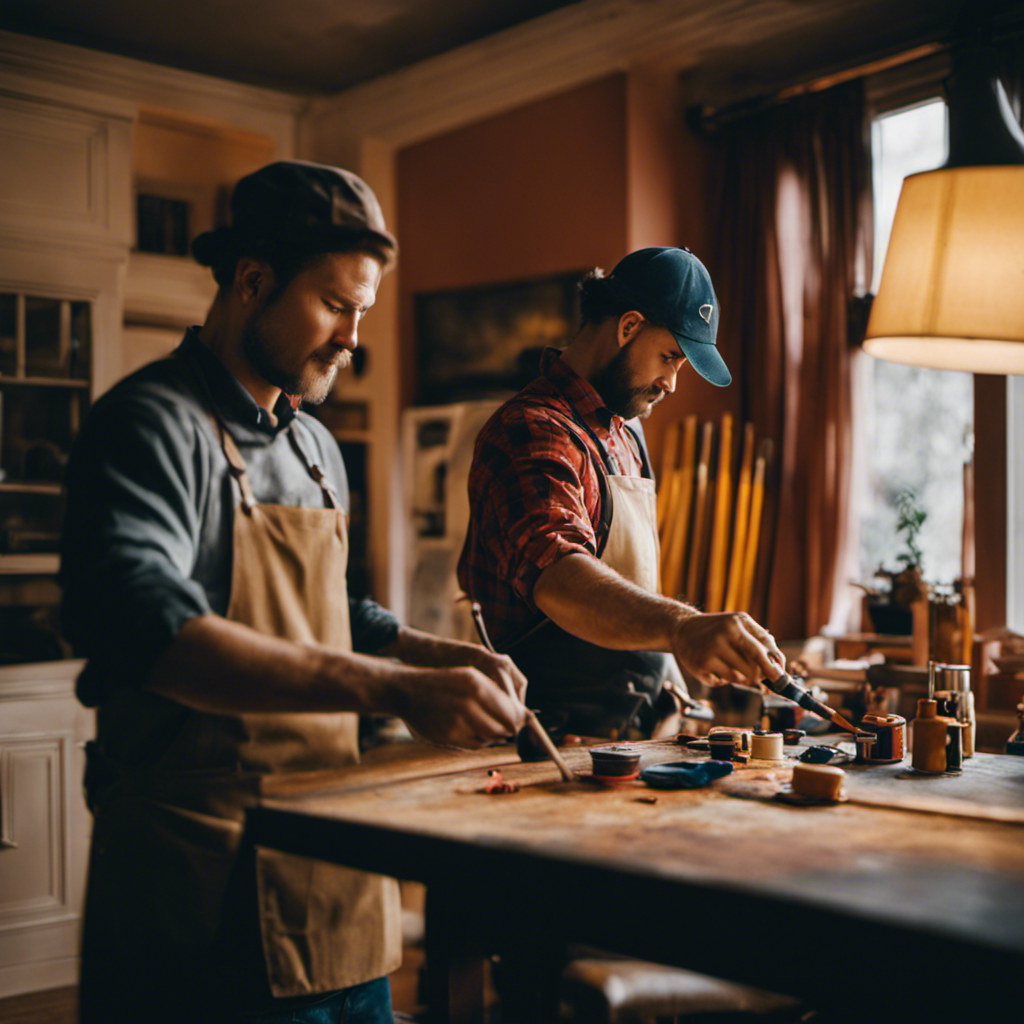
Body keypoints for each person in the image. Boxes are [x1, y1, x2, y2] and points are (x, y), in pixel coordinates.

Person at [60, 160, 528, 1024]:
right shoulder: (149, 425)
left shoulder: (315, 448)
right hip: (202, 889)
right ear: (252, 281)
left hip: (335, 876)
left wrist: (432, 652)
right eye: (336, 306)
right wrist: (399, 689)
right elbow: (146, 629)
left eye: (365, 312)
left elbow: (332, 615)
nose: (353, 337)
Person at [457, 246, 784, 742]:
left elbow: (634, 587)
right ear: (628, 327)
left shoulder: (625, 437)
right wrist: (682, 628)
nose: (672, 384)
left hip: (629, 738)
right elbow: (561, 576)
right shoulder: (532, 432)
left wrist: (671, 690)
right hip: (544, 744)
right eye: (670, 357)